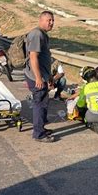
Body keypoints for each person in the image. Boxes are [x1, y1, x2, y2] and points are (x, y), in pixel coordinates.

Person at [24, 11, 56, 143]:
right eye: (48, 20)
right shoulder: (37, 34)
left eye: (52, 20)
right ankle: (39, 134)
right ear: (41, 20)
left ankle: (41, 128)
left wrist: (48, 76)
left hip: (42, 75)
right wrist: (38, 78)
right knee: (39, 104)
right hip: (35, 77)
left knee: (43, 103)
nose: (51, 23)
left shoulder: (43, 35)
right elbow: (33, 57)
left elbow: (44, 58)